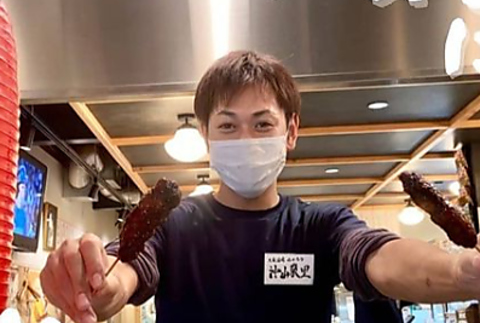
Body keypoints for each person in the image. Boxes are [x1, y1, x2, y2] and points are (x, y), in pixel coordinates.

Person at [40, 51, 480, 323]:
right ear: (206, 134)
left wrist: (460, 271)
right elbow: (125, 270)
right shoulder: (173, 227)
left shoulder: (322, 225)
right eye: (228, 126)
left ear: (291, 131)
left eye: (263, 124)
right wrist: (93, 284)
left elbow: (376, 256)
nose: (246, 139)